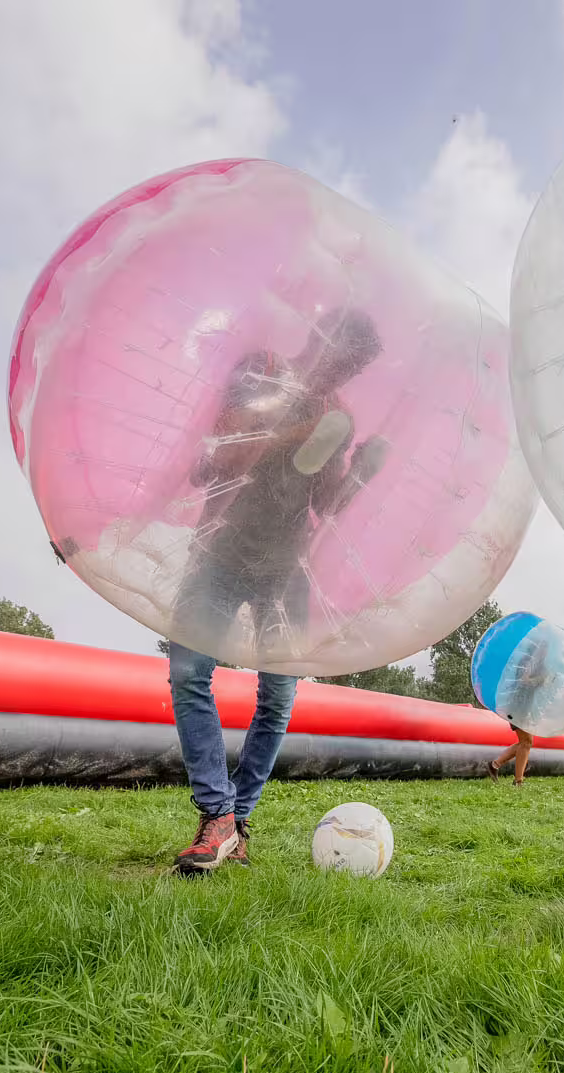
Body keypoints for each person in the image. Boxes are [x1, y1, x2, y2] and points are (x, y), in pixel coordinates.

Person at [168, 308, 386, 873]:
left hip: (285, 568)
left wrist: (358, 472)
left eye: (352, 366)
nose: (339, 371)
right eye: (336, 353)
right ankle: (216, 811)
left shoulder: (337, 413)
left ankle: (234, 823)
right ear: (317, 337)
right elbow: (219, 457)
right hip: (220, 553)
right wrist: (298, 435)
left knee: (279, 698)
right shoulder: (262, 371)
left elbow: (324, 504)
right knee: (189, 673)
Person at [486, 635, 550, 787]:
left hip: (525, 706)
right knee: (527, 741)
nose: (545, 652)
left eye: (546, 649)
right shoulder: (527, 662)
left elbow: (542, 686)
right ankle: (517, 780)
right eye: (542, 648)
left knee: (525, 742)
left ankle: (495, 765)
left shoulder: (541, 667)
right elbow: (524, 681)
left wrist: (546, 680)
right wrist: (540, 680)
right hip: (516, 704)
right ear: (536, 649)